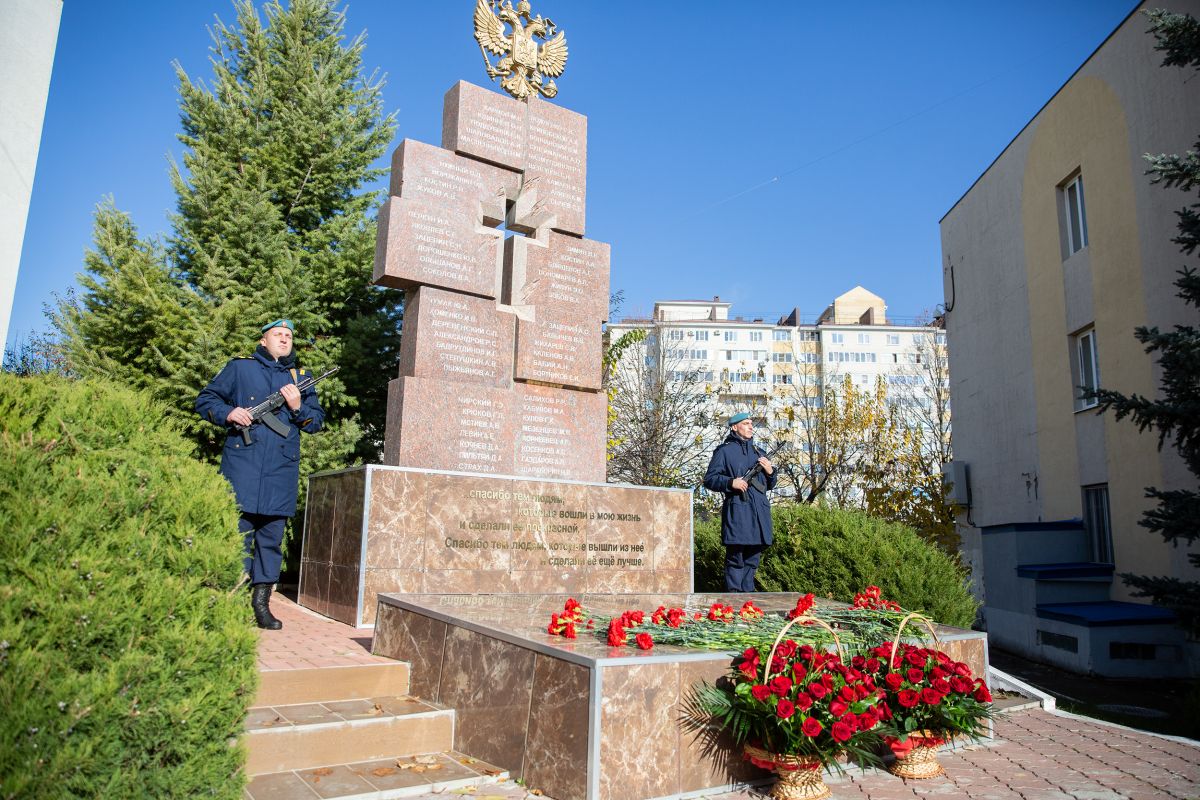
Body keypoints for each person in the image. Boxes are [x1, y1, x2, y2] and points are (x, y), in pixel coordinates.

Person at [196, 319, 325, 629]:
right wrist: (228, 413)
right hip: (243, 466)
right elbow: (205, 400)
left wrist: (297, 407)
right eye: (277, 334)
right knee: (237, 536)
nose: (284, 339)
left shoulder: (300, 379)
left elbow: (316, 422)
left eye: (288, 336)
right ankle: (232, 601)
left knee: (270, 540)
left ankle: (261, 605)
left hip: (280, 471)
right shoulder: (241, 369)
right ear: (264, 341)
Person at [703, 412, 777, 593]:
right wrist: (731, 482)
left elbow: (769, 485)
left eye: (751, 423)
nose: (751, 427)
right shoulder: (724, 451)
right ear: (734, 427)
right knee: (736, 559)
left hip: (759, 514)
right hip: (739, 513)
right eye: (746, 423)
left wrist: (770, 471)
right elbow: (710, 479)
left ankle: (747, 600)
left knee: (752, 560)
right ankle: (734, 600)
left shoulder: (759, 453)